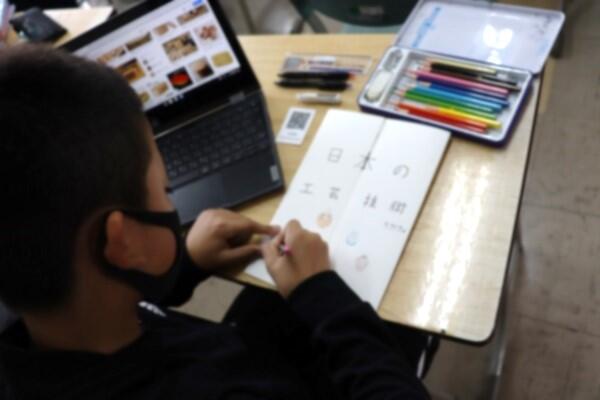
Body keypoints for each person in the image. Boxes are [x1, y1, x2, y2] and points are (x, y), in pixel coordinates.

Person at [0, 44, 433, 399]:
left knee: (269, 296)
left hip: (210, 346)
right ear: (124, 242)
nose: (169, 198)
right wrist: (321, 294)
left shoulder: (36, 322)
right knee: (397, 316)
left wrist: (185, 264)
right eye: (165, 188)